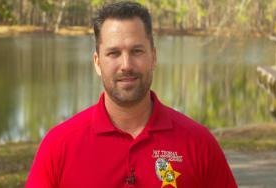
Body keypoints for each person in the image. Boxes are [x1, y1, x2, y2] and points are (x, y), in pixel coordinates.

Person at [26, 1, 237, 188]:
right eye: (113, 53)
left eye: (137, 51)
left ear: (153, 57)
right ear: (97, 62)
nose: (126, 65)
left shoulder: (199, 143)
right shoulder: (58, 146)